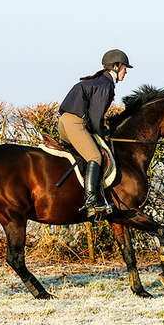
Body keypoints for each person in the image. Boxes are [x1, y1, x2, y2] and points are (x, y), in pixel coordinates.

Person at [58, 49, 132, 217]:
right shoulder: (105, 85)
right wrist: (104, 132)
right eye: (124, 68)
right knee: (95, 157)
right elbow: (95, 117)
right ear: (115, 66)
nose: (126, 72)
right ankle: (91, 201)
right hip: (75, 123)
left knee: (88, 150)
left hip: (64, 122)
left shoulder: (97, 81)